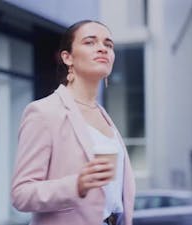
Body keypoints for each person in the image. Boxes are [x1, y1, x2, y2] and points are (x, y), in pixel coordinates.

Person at [11, 20, 135, 225]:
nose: (102, 48)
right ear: (67, 57)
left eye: (108, 44)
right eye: (90, 42)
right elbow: (21, 194)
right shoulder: (44, 112)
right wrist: (76, 185)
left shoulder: (104, 115)